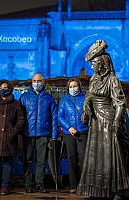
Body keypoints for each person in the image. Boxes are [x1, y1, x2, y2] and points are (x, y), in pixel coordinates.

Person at [76, 40, 129, 199]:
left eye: (94, 63)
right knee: (95, 156)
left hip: (108, 121)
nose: (91, 66)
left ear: (103, 64)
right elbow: (89, 96)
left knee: (109, 156)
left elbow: (120, 103)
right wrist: (86, 109)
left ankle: (114, 190)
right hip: (95, 121)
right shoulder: (93, 80)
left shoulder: (112, 80)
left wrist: (116, 123)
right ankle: (96, 189)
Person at [0, 79, 25, 195]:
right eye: (1, 88)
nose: (4, 90)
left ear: (10, 89)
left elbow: (21, 119)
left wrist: (14, 130)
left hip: (9, 139)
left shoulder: (16, 104)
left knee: (7, 164)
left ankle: (5, 187)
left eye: (6, 88)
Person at [20, 73, 58, 193]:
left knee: (41, 161)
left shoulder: (49, 98)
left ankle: (39, 184)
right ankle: (28, 184)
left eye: (39, 81)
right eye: (34, 81)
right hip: (28, 133)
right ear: (31, 82)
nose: (37, 83)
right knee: (27, 160)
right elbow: (20, 116)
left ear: (44, 82)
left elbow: (54, 117)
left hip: (43, 133)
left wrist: (54, 135)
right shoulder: (24, 97)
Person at [58, 78, 88, 194]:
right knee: (72, 159)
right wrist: (69, 127)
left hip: (83, 132)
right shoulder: (64, 99)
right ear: (68, 88)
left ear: (79, 87)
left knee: (83, 159)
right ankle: (73, 185)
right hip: (69, 133)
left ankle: (83, 184)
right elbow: (60, 116)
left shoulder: (85, 98)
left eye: (75, 86)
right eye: (70, 87)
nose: (73, 88)